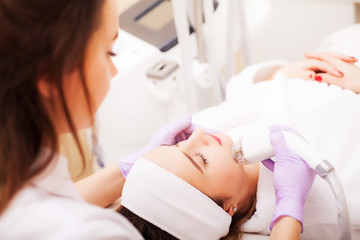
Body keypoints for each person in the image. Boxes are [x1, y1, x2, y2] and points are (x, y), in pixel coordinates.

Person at [0, 0, 212, 238]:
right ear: (50, 76)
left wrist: (128, 169)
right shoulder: (91, 232)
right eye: (108, 52)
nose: (114, 70)